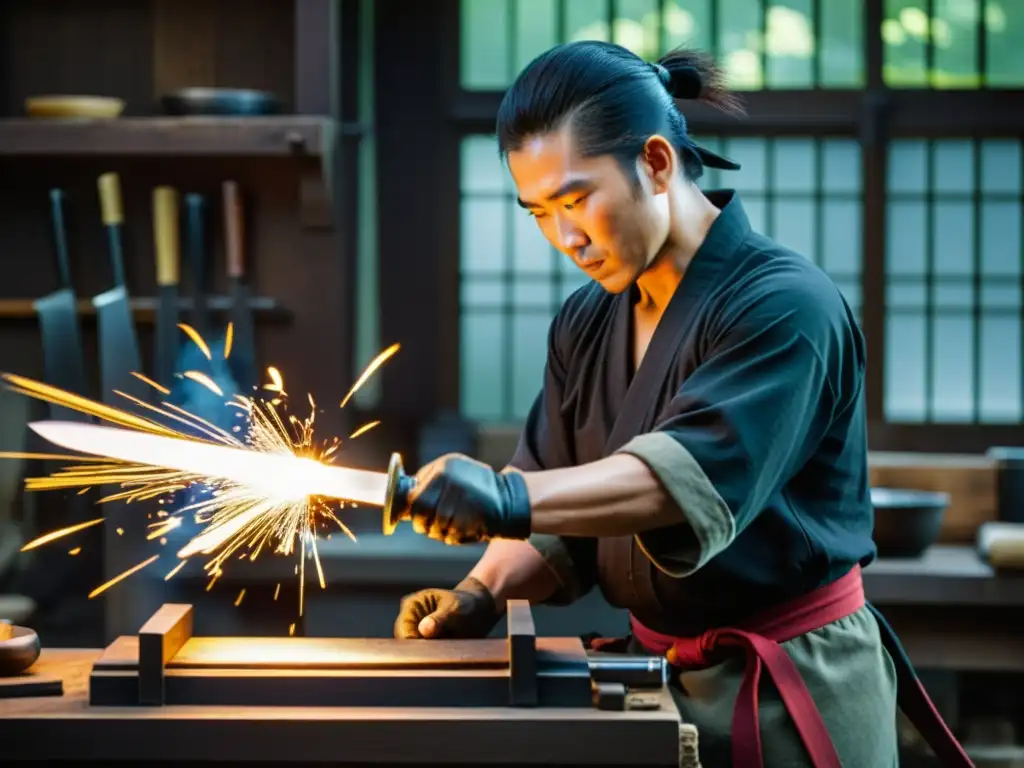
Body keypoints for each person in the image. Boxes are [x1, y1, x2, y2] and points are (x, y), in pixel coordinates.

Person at [393, 42, 973, 768]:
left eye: (576, 200)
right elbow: (556, 511)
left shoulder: (787, 306)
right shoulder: (587, 321)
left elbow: (672, 481)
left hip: (793, 693)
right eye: (540, 212)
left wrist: (505, 496)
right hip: (656, 686)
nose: (565, 237)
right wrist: (479, 591)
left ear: (658, 163)